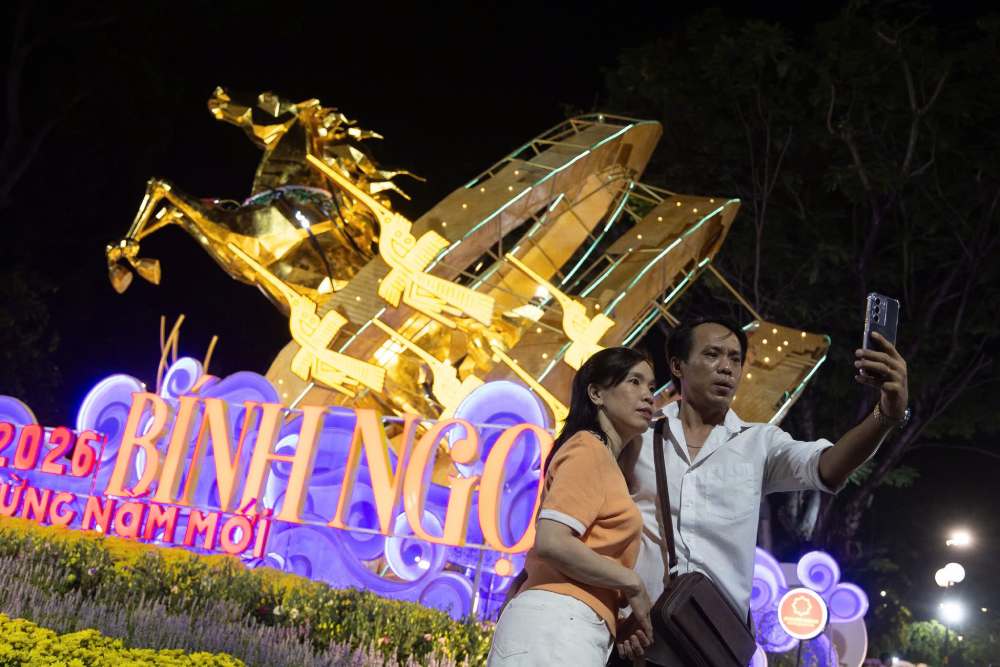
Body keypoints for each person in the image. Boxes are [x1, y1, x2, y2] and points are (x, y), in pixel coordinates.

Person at [615, 317, 910, 664]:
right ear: (678, 365)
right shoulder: (638, 435)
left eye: (735, 359)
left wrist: (885, 416)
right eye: (712, 355)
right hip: (638, 639)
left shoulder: (760, 442)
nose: (726, 367)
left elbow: (828, 466)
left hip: (714, 644)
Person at [487, 347, 658, 665]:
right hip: (554, 624)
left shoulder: (603, 461)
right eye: (634, 381)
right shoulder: (588, 449)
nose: (649, 395)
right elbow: (552, 541)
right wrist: (631, 583)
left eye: (650, 386)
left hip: (566, 626)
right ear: (596, 393)